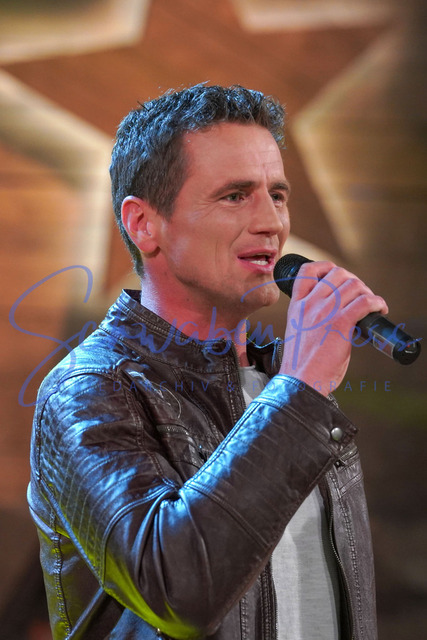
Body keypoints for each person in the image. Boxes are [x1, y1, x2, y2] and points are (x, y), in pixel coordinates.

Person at [29, 84, 387, 639]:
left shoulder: (284, 385)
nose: (272, 222)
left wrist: (297, 387)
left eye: (277, 194)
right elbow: (179, 591)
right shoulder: (89, 389)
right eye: (235, 196)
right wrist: (302, 386)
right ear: (144, 224)